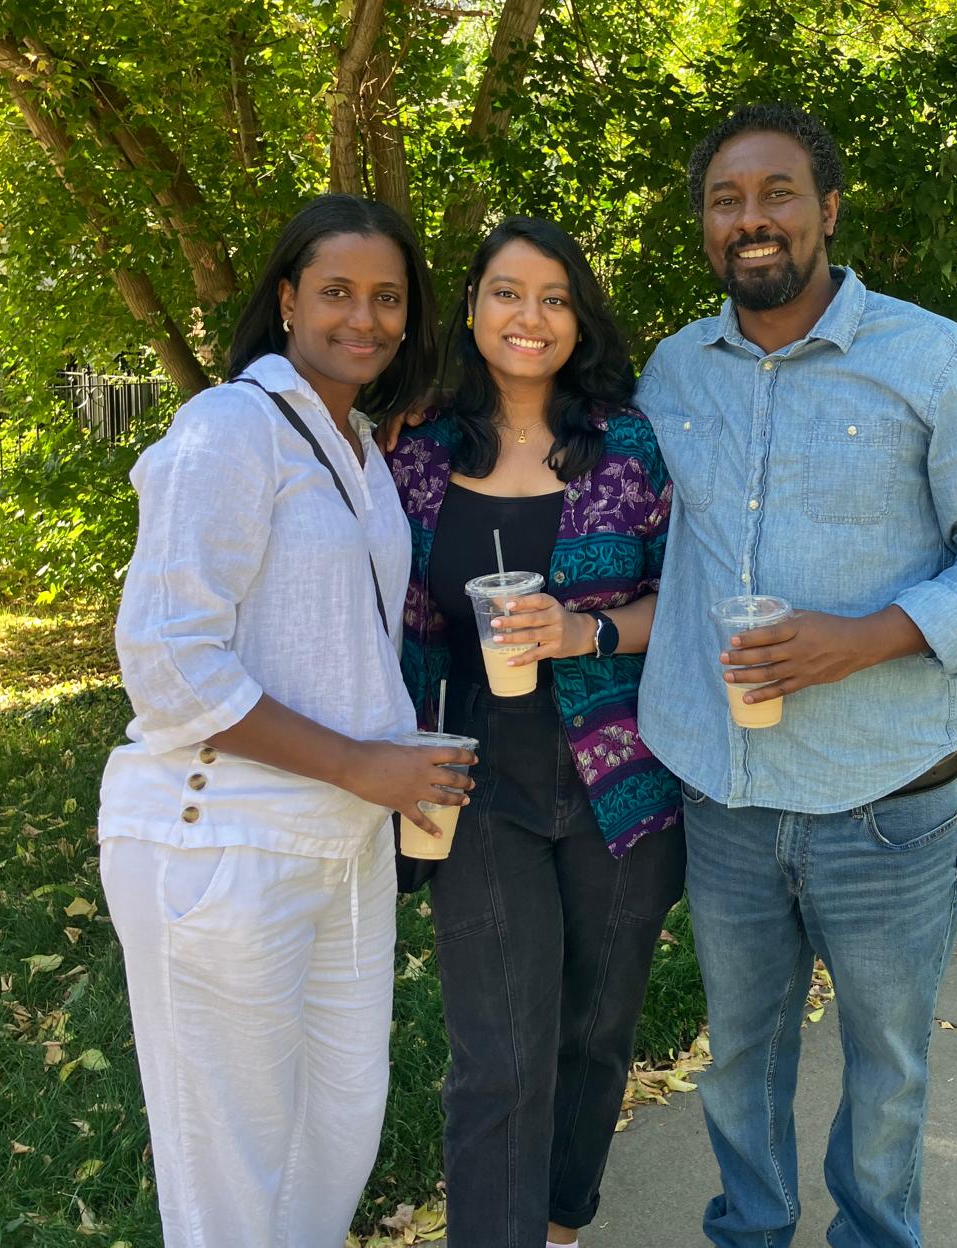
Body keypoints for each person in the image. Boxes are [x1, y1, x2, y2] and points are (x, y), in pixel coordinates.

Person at [635, 103, 957, 1248]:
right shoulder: (675, 371)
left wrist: (861, 638)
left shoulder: (935, 362)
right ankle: (751, 1233)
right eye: (727, 200)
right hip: (724, 792)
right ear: (706, 224)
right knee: (739, 1059)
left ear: (826, 209)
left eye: (776, 193)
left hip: (885, 801)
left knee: (887, 1069)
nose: (751, 218)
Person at [99, 195, 476, 1248]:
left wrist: (379, 764)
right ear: (286, 300)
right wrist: (361, 761)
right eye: (338, 291)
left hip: (343, 842)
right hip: (220, 836)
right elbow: (168, 657)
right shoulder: (228, 427)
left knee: (336, 1132)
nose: (365, 317)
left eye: (388, 297)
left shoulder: (355, 444)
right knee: (233, 1173)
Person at [388, 216, 686, 1248]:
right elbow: (402, 616)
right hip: (477, 782)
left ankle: (561, 1225)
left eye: (554, 296)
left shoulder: (626, 442)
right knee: (501, 1051)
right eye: (507, 292)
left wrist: (584, 627)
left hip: (620, 779)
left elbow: (679, 602)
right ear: (470, 310)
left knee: (596, 1031)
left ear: (579, 317)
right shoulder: (418, 453)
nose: (530, 315)